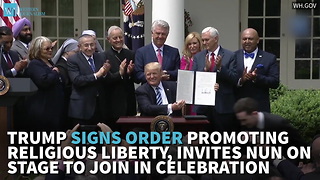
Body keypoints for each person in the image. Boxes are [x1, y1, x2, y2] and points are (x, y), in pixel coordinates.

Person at [192, 27, 238, 132]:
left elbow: (234, 79)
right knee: (203, 140)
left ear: (216, 39)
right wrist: (205, 70)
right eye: (202, 40)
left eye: (206, 40)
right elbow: (194, 78)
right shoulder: (198, 57)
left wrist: (220, 68)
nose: (204, 43)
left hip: (222, 106)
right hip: (203, 107)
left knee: (223, 141)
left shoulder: (230, 55)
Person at [233, 97, 306, 160]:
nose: (242, 123)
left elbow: (298, 147)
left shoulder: (278, 124)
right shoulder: (247, 126)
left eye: (244, 120)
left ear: (254, 114)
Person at [67, 34, 111, 125]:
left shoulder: (101, 57)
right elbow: (77, 80)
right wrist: (97, 75)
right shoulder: (73, 60)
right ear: (79, 47)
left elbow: (105, 78)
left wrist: (105, 74)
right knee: (81, 138)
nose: (90, 48)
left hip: (100, 107)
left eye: (92, 45)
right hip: (82, 108)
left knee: (100, 137)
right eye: (86, 45)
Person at [25, 36, 65, 131]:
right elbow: (44, 81)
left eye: (51, 48)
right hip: (42, 109)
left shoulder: (50, 62)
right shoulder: (35, 64)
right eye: (47, 49)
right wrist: (55, 72)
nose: (50, 50)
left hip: (54, 108)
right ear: (38, 50)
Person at [235, 28, 279, 112]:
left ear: (258, 40)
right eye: (244, 39)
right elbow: (229, 79)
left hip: (259, 107)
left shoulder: (269, 58)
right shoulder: (233, 56)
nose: (247, 41)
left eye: (250, 39)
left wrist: (256, 78)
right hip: (238, 107)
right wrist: (241, 80)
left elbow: (275, 82)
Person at [104, 26, 137, 130]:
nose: (118, 40)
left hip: (129, 100)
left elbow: (136, 78)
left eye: (120, 37)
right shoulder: (104, 56)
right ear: (109, 40)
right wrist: (120, 73)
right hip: (112, 101)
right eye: (115, 38)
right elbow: (106, 79)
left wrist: (130, 72)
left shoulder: (131, 54)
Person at [52, 38, 79, 130]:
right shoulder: (61, 66)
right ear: (67, 52)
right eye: (76, 52)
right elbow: (65, 84)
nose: (78, 54)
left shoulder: (70, 63)